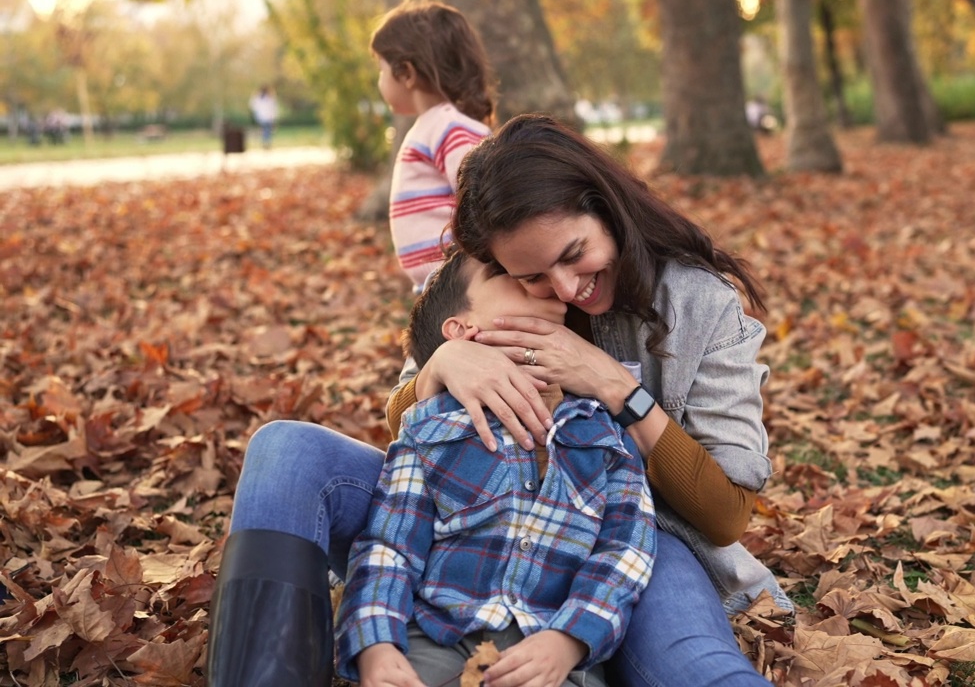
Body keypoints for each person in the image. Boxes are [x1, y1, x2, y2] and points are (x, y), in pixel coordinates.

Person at [206, 115, 788, 687]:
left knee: (695, 668)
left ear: (607, 208)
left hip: (633, 541)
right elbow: (408, 428)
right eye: (530, 275)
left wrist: (614, 385)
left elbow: (726, 514)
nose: (563, 290)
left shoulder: (700, 306)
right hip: (468, 522)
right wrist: (440, 364)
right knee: (286, 450)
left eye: (573, 253)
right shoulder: (492, 282)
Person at [337, 250, 655, 687]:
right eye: (507, 275)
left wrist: (569, 640)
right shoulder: (431, 426)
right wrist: (375, 644)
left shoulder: (605, 434)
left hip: (547, 649)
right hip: (437, 636)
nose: (536, 283)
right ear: (462, 331)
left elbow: (625, 553)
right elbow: (389, 544)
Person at [371, 0, 495, 290]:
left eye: (381, 70)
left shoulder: (449, 126)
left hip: (466, 281)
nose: (379, 81)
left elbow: (481, 196)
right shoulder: (433, 125)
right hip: (445, 282)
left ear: (407, 74)